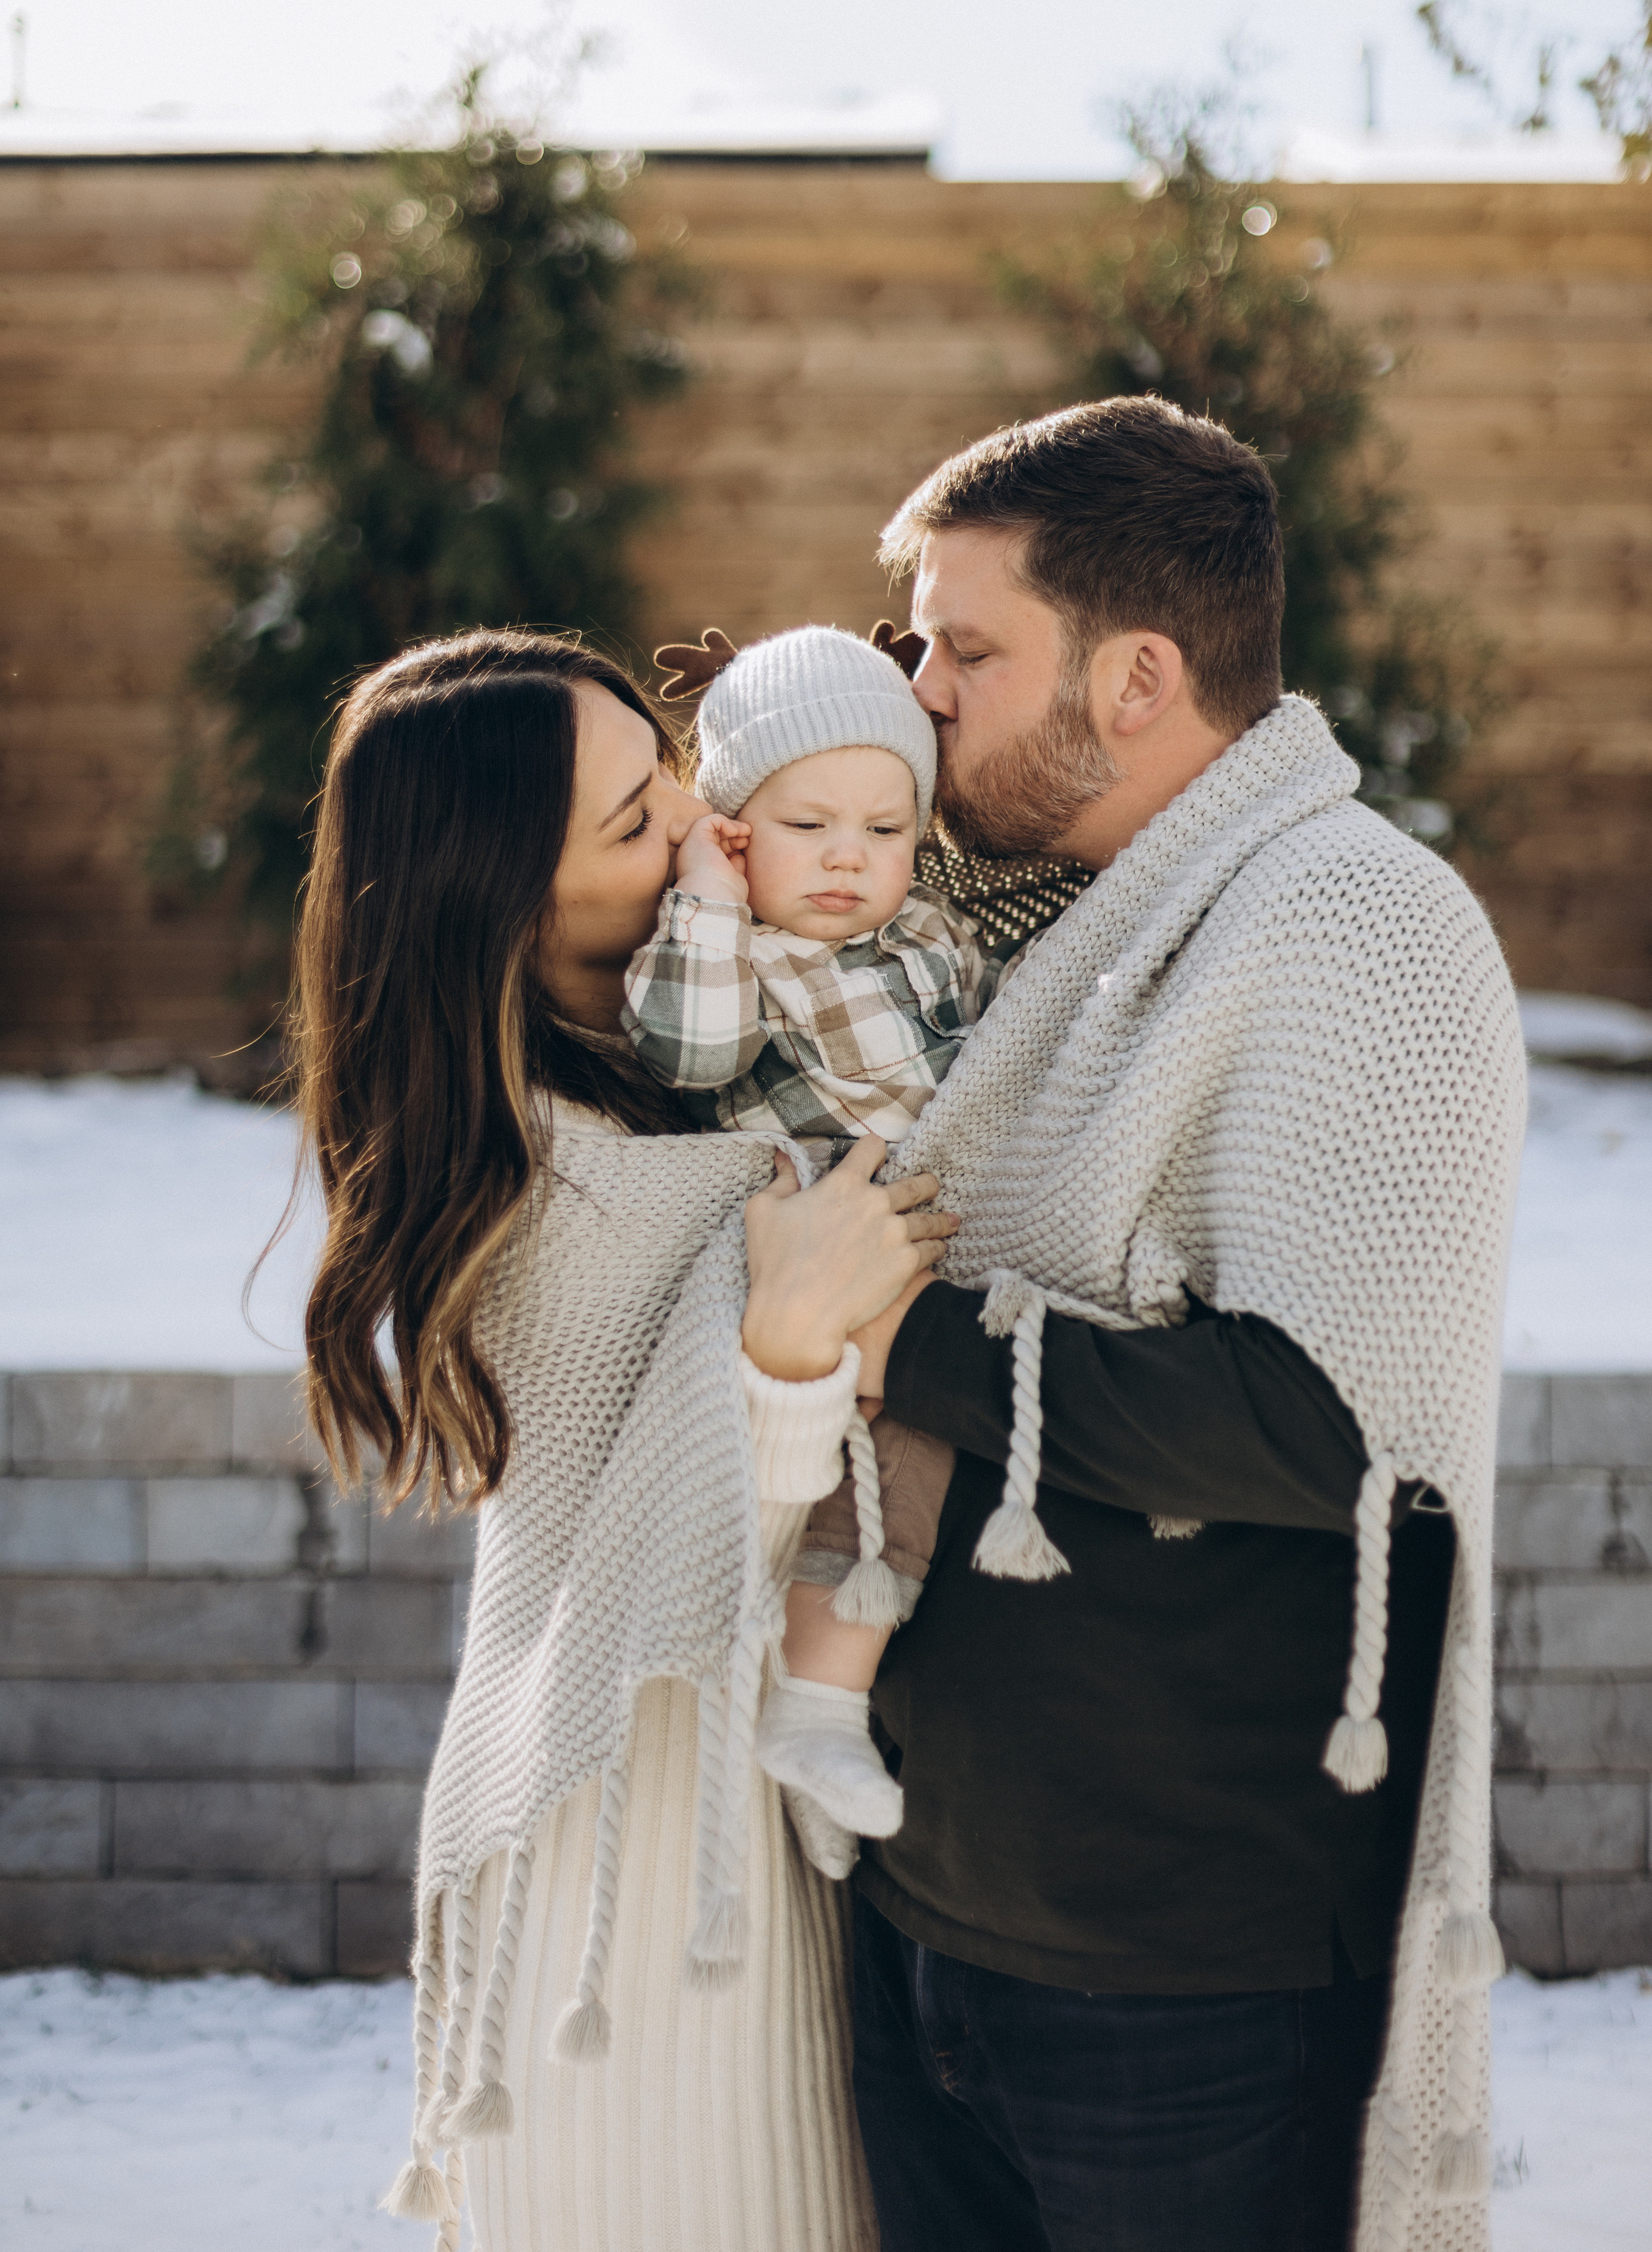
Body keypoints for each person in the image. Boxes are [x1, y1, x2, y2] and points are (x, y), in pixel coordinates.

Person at [837, 396, 1526, 2252]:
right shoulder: (1020, 923)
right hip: (922, 1900)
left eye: (968, 650)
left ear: (1138, 677)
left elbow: (1335, 1430)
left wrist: (888, 1329)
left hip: (1181, 1981)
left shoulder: (1359, 925)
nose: (924, 695)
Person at [295, 628, 957, 2252]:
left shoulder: (716, 1055)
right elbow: (652, 1542)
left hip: (772, 1828)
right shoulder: (543, 1185)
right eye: (636, 826)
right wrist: (786, 1350)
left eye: (670, 772)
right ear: (512, 909)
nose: (707, 824)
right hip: (634, 1869)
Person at [619, 622, 991, 1845]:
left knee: (917, 1495)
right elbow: (691, 1054)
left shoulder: (927, 936)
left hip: (929, 1251)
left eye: (885, 833)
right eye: (805, 828)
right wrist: (712, 905)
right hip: (818, 1270)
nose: (848, 859)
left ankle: (828, 1740)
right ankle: (822, 1712)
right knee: (883, 1484)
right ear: (732, 827)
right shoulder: (729, 955)